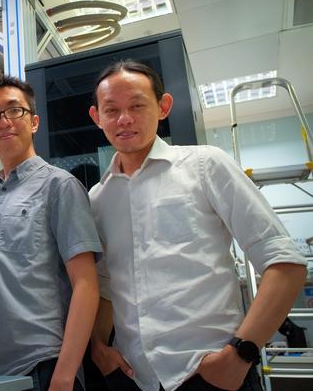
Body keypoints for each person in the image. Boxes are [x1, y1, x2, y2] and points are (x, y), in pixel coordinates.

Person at [87, 60, 307, 391]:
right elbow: (105, 285)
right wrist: (99, 348)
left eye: (137, 105)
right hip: (135, 377)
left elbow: (285, 263)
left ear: (163, 107)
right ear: (97, 117)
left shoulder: (205, 165)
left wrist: (241, 355)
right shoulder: (97, 198)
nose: (124, 119)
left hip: (211, 372)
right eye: (112, 110)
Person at [0, 75, 102, 391]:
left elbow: (86, 284)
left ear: (33, 122)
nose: (4, 122)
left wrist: (65, 374)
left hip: (43, 368)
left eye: (14, 110)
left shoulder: (59, 186)